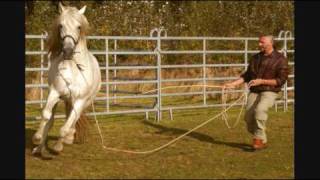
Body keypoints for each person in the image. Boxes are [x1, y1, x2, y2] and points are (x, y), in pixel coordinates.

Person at [223, 35, 289, 150]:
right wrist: (232, 84)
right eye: (259, 42)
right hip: (254, 91)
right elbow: (247, 76)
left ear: (270, 43)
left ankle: (258, 140)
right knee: (249, 119)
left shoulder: (281, 59)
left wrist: (262, 81)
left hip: (270, 91)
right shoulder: (255, 58)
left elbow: (281, 80)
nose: (259, 44)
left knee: (260, 110)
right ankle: (262, 139)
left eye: (262, 42)